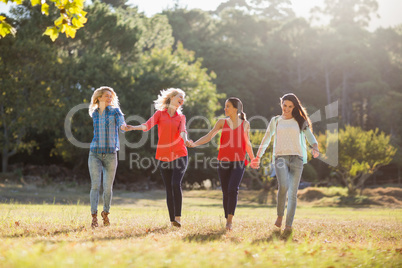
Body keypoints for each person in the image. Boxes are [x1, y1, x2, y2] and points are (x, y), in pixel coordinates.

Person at [251, 93, 319, 234]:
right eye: (284, 105)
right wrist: (258, 156)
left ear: (294, 107)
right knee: (283, 186)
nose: (286, 109)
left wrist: (315, 147)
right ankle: (280, 216)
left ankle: (288, 225)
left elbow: (310, 137)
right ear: (281, 104)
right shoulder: (276, 121)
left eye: (290, 106)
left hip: (297, 159)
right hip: (280, 157)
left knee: (293, 193)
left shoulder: (300, 121)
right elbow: (266, 138)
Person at [127, 88, 191, 227]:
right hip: (163, 156)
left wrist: (186, 140)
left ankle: (178, 217)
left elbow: (183, 131)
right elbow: (146, 126)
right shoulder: (160, 114)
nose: (182, 100)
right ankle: (172, 220)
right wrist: (132, 127)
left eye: (183, 98)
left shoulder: (181, 117)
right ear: (172, 97)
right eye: (180, 96)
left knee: (175, 184)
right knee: (168, 187)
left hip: (180, 153)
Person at [189, 97, 254, 231]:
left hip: (239, 161)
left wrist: (253, 158)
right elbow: (209, 136)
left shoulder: (245, 124)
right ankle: (227, 219)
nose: (225, 109)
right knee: (225, 191)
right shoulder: (221, 122)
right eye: (225, 106)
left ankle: (229, 221)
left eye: (228, 106)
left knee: (232, 189)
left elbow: (247, 143)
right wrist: (194, 143)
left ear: (236, 109)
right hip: (223, 161)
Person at [88, 86, 129, 228]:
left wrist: (123, 126)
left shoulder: (115, 112)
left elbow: (121, 123)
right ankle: (94, 217)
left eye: (111, 96)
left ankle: (105, 213)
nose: (109, 98)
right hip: (95, 153)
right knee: (95, 185)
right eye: (106, 95)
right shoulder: (94, 113)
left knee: (107, 187)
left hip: (111, 154)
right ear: (99, 97)